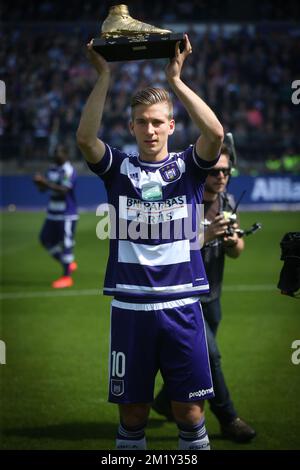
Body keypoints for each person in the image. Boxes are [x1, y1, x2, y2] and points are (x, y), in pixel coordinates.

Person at [77, 34, 224, 450]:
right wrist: (104, 75)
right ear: (131, 127)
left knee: (190, 412)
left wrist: (176, 81)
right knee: (133, 414)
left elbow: (214, 132)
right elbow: (86, 141)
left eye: (158, 121)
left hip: (182, 307)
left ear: (171, 126)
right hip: (131, 309)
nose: (150, 129)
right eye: (141, 121)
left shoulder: (188, 168)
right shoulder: (119, 168)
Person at [152, 144, 257, 443]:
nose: (222, 176)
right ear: (203, 172)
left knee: (198, 357)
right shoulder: (183, 202)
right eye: (215, 171)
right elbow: (168, 250)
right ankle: (229, 418)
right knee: (211, 358)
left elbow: (237, 251)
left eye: (226, 171)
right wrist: (207, 234)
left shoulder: (227, 201)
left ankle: (163, 403)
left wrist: (230, 240)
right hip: (186, 298)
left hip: (214, 299)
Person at [33, 143, 78, 288]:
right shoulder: (52, 169)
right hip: (52, 211)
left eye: (59, 152)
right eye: (55, 152)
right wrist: (38, 183)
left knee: (66, 243)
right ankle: (67, 263)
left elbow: (64, 190)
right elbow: (43, 189)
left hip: (66, 213)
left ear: (66, 155)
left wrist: (44, 182)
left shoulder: (69, 170)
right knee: (45, 239)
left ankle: (66, 277)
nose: (56, 155)